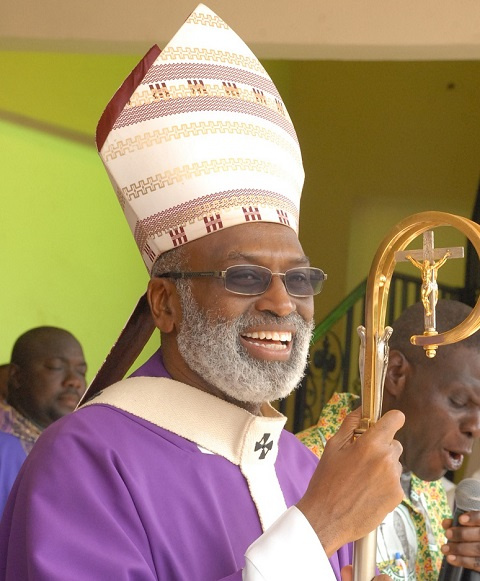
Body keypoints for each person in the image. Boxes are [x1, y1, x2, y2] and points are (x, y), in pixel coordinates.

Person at [0, 6, 404, 580]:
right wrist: (316, 531)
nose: (282, 303)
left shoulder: (301, 465)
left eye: (299, 279)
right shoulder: (86, 460)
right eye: (244, 276)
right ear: (164, 303)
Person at [297, 299, 480, 580]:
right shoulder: (299, 472)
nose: (475, 427)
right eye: (458, 401)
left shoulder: (428, 488)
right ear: (395, 373)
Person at [0, 326, 87, 514]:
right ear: (16, 376)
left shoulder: (80, 448)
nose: (75, 381)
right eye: (56, 367)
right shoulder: (4, 448)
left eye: (81, 371)